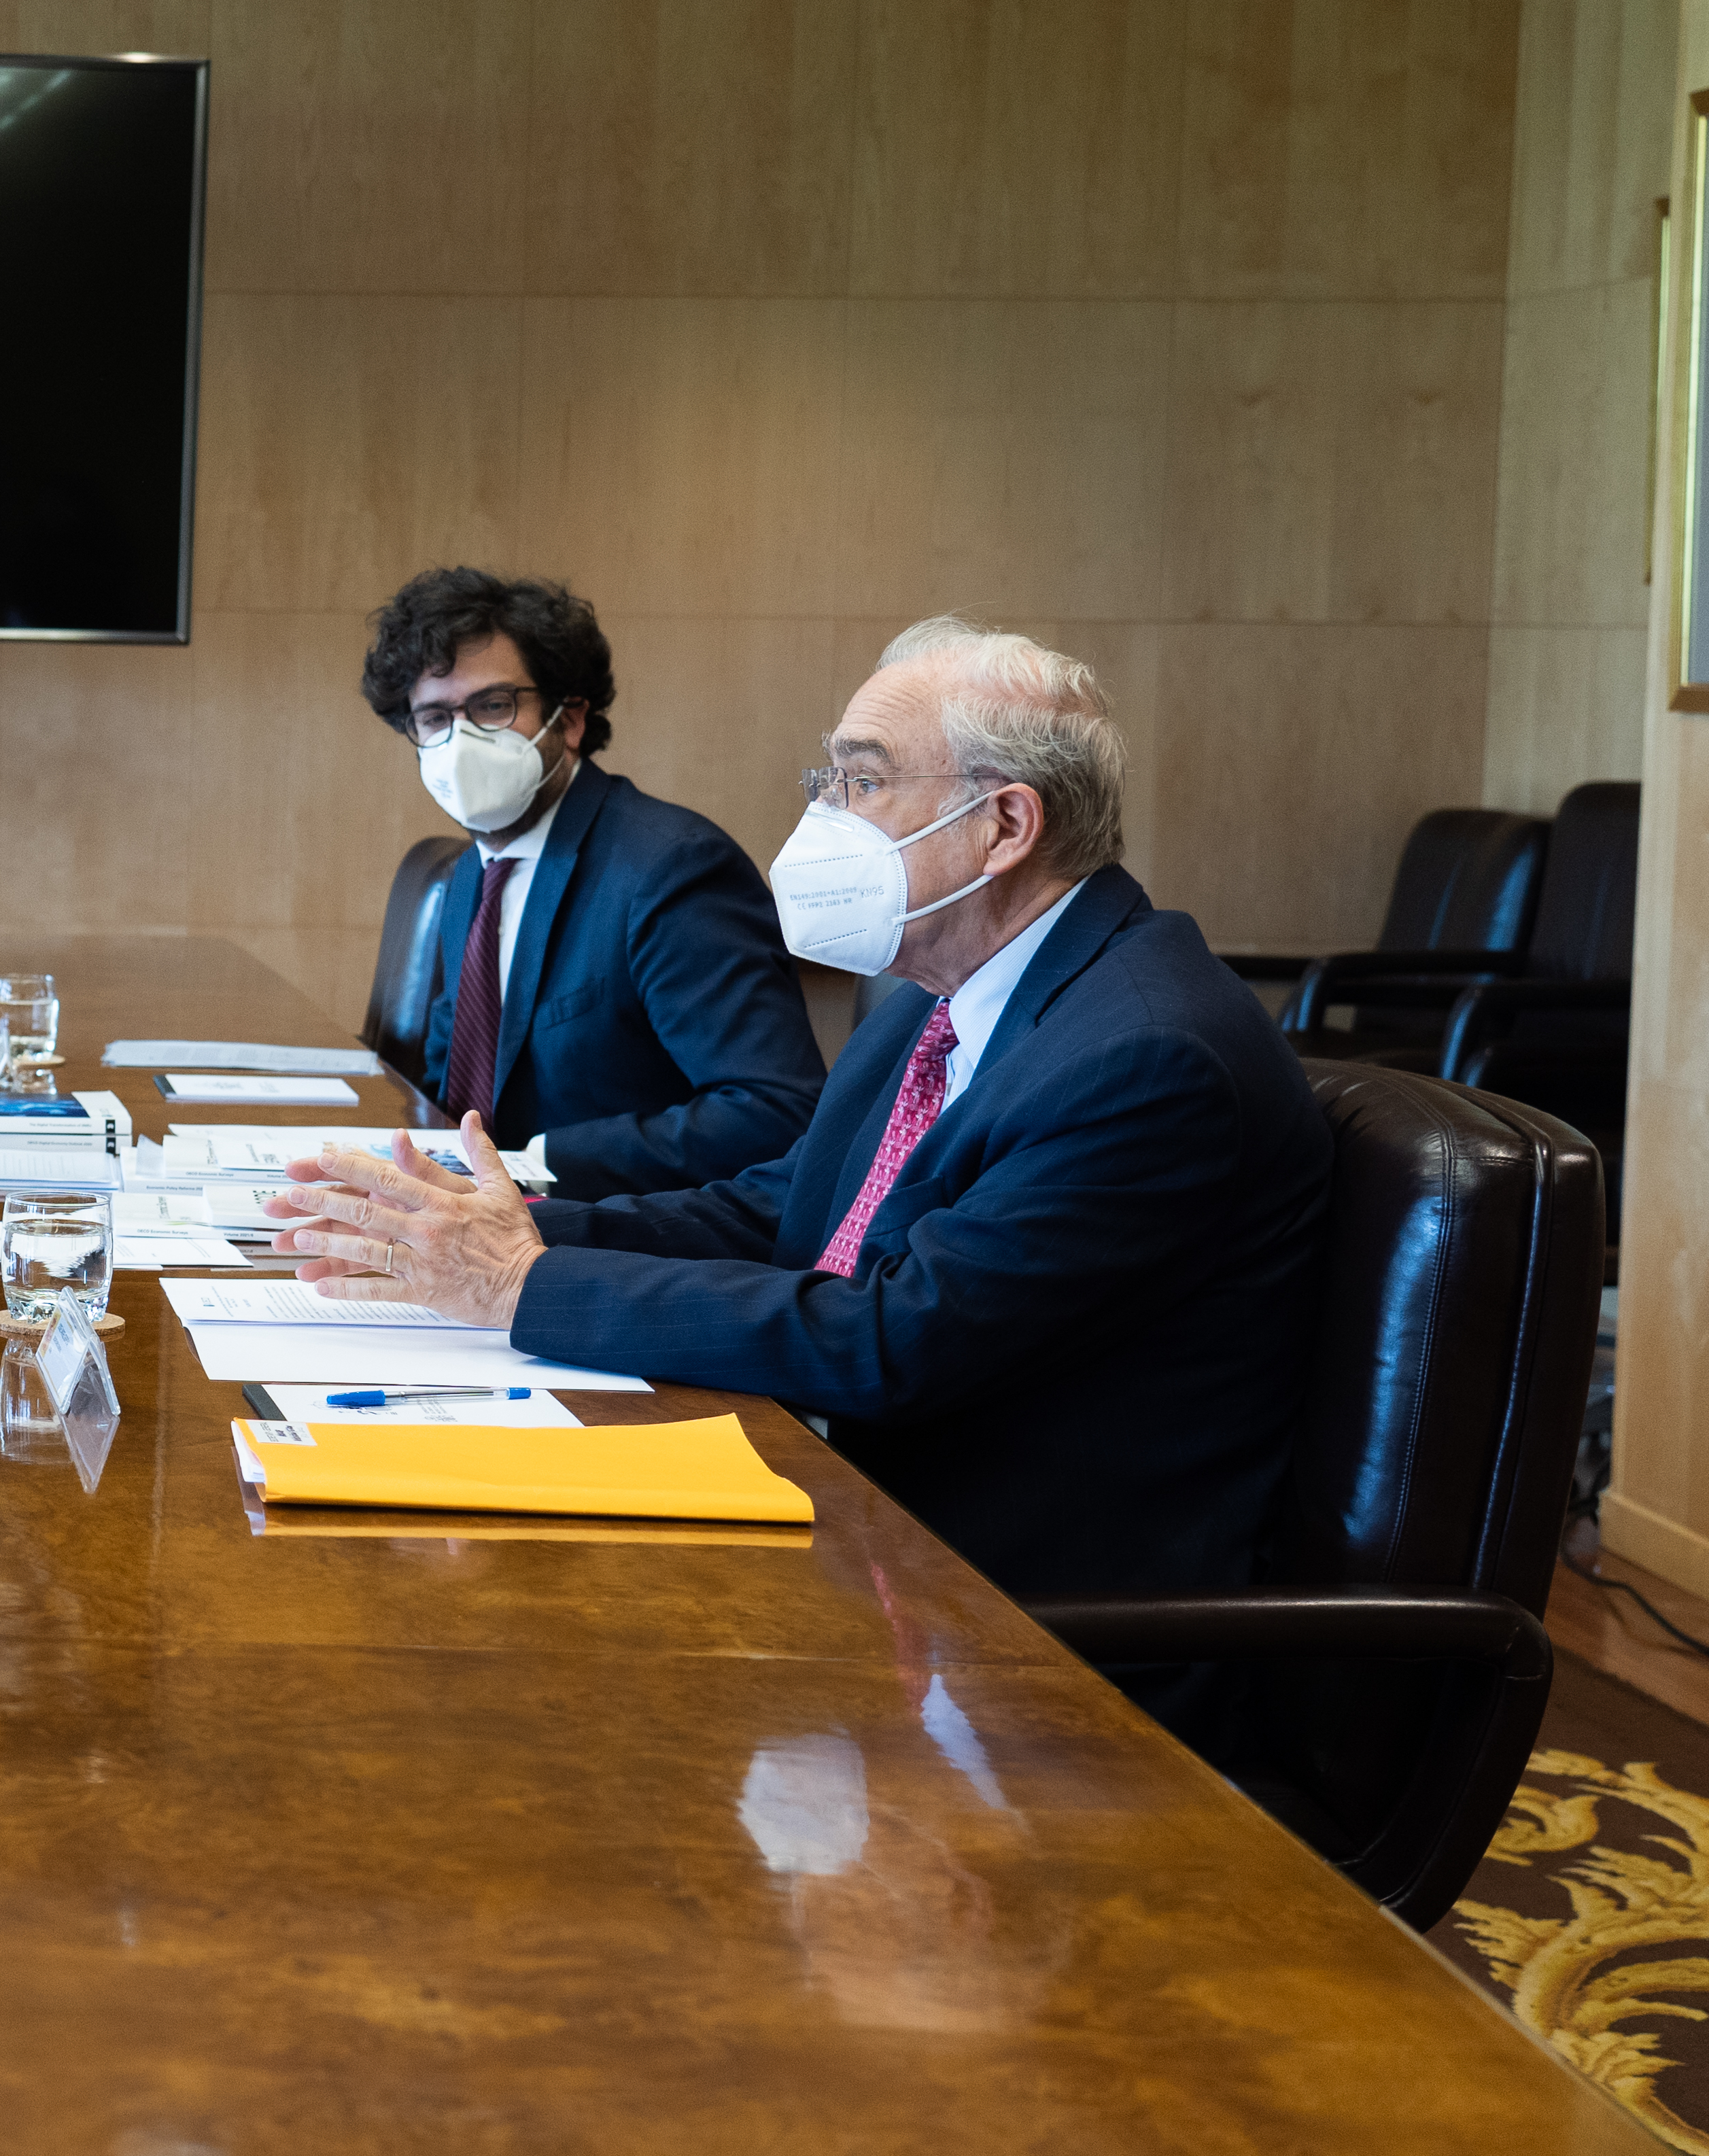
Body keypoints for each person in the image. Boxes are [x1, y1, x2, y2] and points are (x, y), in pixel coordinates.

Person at [271, 616, 1332, 1603]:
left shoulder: (1146, 1056)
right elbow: (787, 1210)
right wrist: (493, 1234)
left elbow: (896, 1340)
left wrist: (521, 1284)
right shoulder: (941, 997)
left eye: (861, 782)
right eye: (826, 779)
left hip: (1011, 1622)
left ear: (1005, 824)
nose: (823, 817)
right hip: (858, 1513)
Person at [366, 566, 822, 1196]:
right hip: (483, 1234)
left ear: (570, 719)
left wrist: (543, 1160)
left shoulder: (672, 869)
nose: (460, 740)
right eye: (435, 718)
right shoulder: (473, 872)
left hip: (622, 1245)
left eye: (493, 706)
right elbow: (458, 1085)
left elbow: (776, 1112)